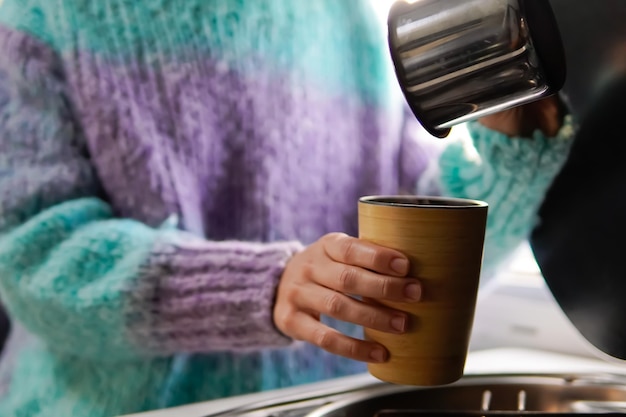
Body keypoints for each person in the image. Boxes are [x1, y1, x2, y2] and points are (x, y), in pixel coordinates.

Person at [0, 1, 573, 416]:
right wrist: (261, 287)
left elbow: (418, 266)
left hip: (330, 400)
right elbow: (33, 255)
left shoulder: (353, 21)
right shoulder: (40, 16)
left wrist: (509, 147)